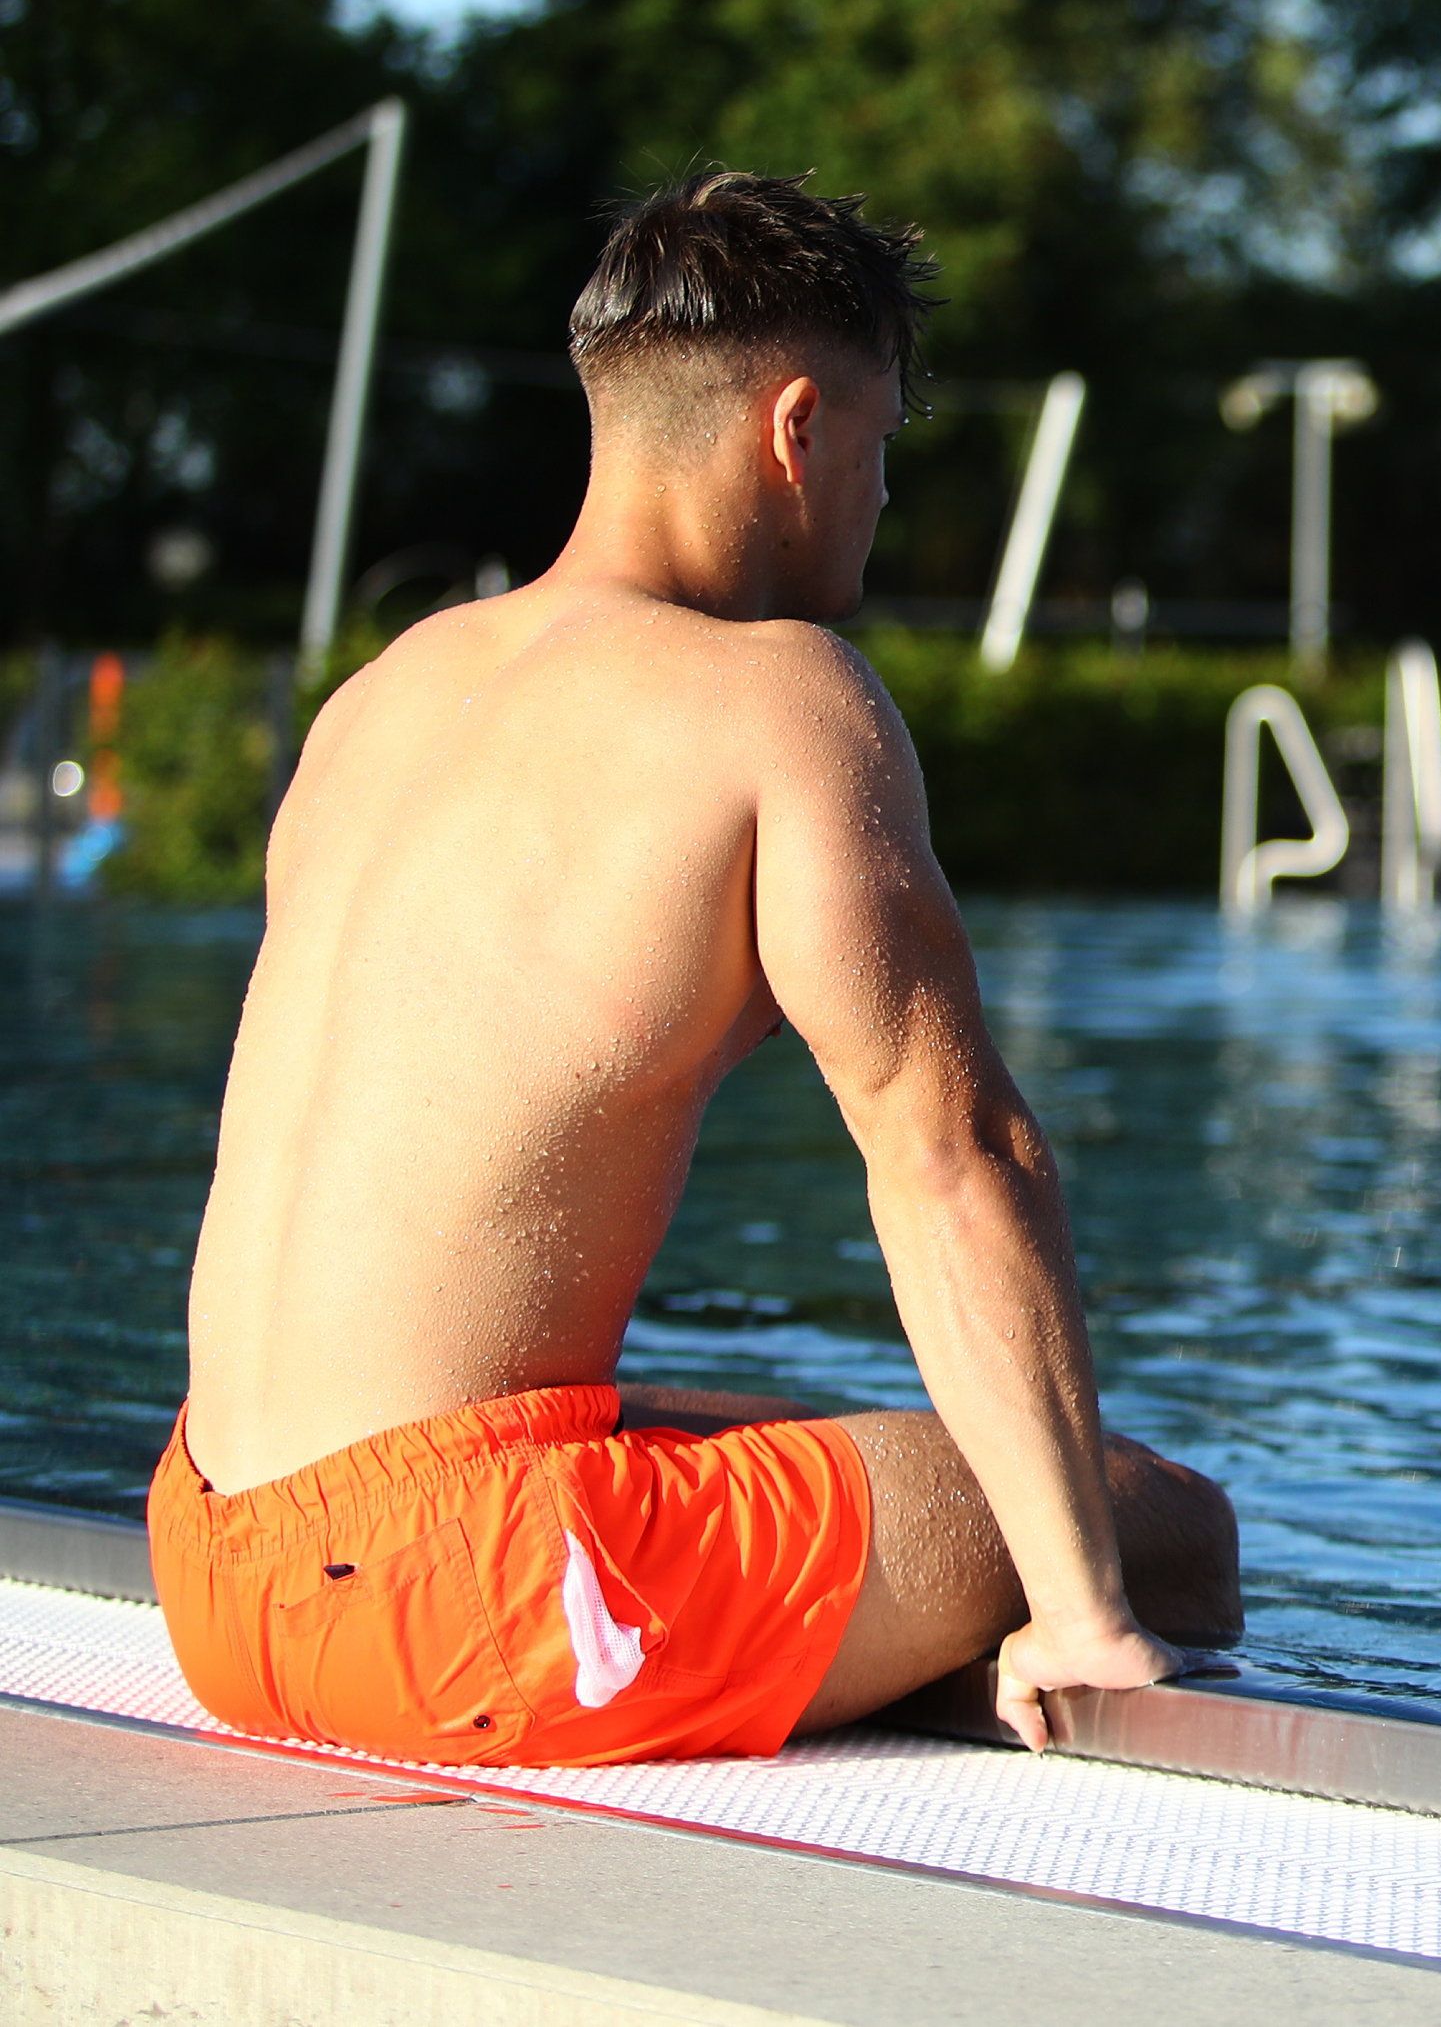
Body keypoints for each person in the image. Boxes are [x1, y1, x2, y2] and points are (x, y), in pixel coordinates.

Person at [148, 171, 1236, 1770]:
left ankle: (817, 1648)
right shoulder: (778, 699)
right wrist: (1085, 1621)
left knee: (759, 1429)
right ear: (797, 429)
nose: (878, 498)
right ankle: (979, 1657)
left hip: (215, 1566)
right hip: (470, 1606)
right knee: (1168, 1528)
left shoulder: (381, 695)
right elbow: (955, 1156)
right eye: (880, 446)